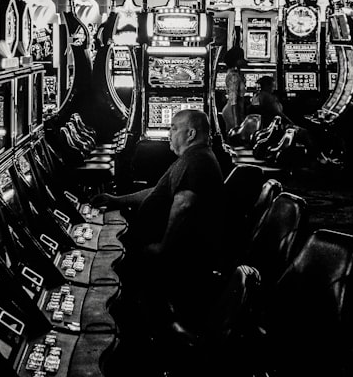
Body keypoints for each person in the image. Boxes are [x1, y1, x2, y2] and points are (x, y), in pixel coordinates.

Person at [91, 109, 227, 328]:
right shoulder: (193, 157)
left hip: (181, 259)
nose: (168, 134)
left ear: (190, 134)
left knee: (107, 264)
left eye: (173, 128)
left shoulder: (199, 161)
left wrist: (163, 248)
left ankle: (129, 330)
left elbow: (184, 205)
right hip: (173, 250)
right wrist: (117, 200)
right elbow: (158, 192)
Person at [221, 66, 247, 134]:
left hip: (235, 109)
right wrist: (236, 123)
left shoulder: (237, 74)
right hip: (232, 110)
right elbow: (233, 100)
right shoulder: (234, 76)